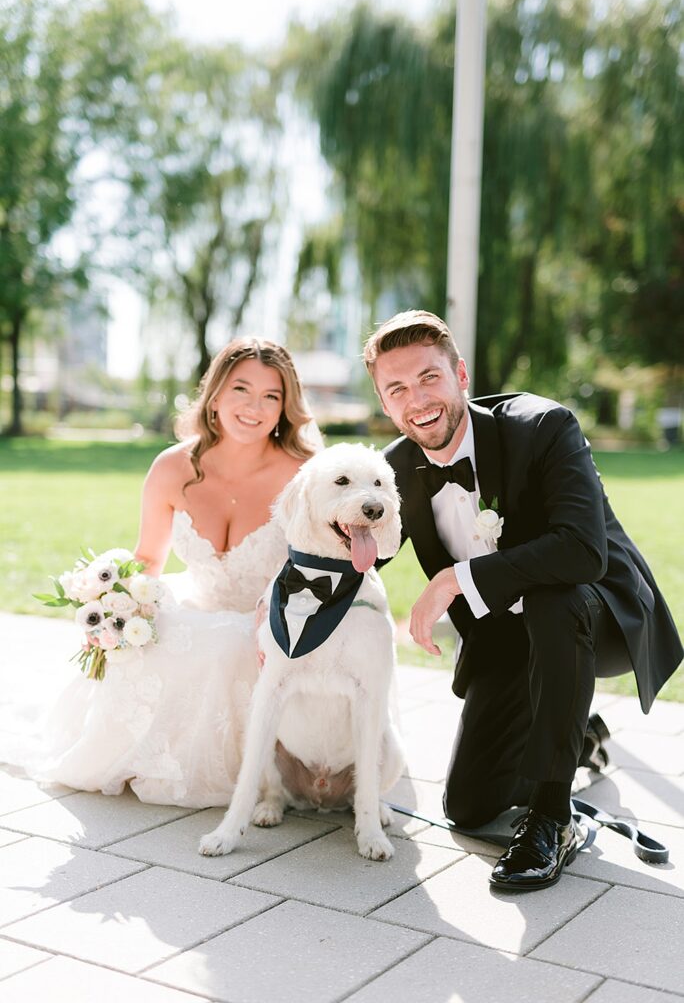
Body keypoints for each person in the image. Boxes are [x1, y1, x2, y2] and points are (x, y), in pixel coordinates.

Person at [364, 310, 683, 890]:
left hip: (596, 615)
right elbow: (359, 556)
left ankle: (552, 817)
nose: (417, 400)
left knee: (551, 600)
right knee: (468, 805)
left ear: (460, 374)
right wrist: (287, 592)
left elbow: (584, 552)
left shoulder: (544, 426)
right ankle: (576, 732)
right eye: (398, 389)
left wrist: (456, 578)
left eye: (430, 377)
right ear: (385, 405)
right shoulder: (395, 470)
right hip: (505, 639)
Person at [4, 337, 319, 807]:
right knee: (148, 636)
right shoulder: (173, 467)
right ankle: (144, 755)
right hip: (202, 602)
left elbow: (322, 572)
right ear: (214, 396)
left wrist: (274, 612)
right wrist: (114, 608)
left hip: (276, 619)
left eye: (271, 396)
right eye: (241, 390)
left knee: (227, 646)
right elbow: (148, 559)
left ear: (284, 408)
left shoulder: (306, 474)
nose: (254, 407)